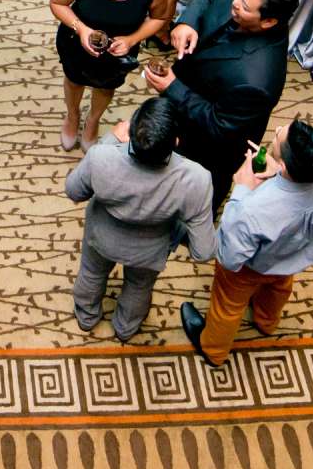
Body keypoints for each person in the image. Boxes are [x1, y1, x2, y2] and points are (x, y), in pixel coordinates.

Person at [185, 118, 313, 363]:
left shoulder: (251, 209)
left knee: (228, 305)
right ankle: (266, 321)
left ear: (285, 166)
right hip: (295, 258)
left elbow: (229, 258)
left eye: (278, 137)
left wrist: (242, 189)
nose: (275, 131)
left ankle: (213, 350)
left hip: (251, 267)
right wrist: (278, 175)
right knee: (279, 285)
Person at [66, 98, 218, 344]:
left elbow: (74, 191)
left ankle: (87, 317)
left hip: (101, 237)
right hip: (149, 251)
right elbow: (203, 251)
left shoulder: (100, 156)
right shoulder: (196, 179)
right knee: (138, 287)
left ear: (131, 130)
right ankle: (125, 328)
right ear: (176, 142)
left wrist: (111, 139)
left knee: (92, 274)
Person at [141, 0, 297, 201]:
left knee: (202, 190)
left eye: (243, 5)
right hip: (186, 97)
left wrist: (172, 87)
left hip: (208, 144)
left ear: (268, 21)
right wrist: (188, 23)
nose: (235, 0)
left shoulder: (257, 81)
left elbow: (219, 124)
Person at [51, 0, 171, 150]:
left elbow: (159, 18)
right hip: (76, 43)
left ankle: (92, 121)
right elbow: (57, 4)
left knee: (106, 87)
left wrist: (131, 39)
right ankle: (73, 116)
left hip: (118, 52)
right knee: (74, 81)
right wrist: (82, 29)